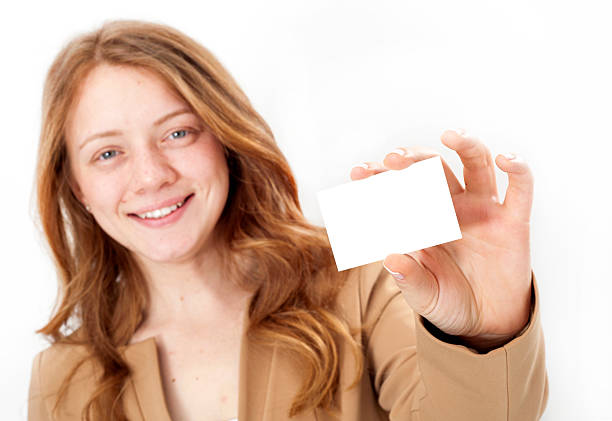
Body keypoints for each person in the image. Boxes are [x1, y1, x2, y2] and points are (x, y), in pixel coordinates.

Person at [27, 19, 548, 421]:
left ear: (225, 139)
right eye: (107, 154)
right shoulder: (63, 377)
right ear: (76, 187)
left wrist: (485, 336)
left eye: (178, 134)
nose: (150, 177)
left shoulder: (357, 282)